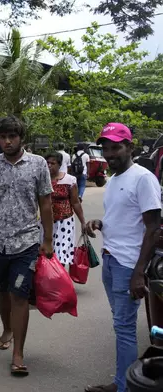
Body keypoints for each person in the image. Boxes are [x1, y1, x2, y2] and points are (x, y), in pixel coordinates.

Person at [0, 115, 54, 377]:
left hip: (26, 241)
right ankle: (7, 328)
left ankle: (18, 353)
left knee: (19, 296)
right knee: (0, 290)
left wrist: (47, 240)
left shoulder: (38, 164)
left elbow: (46, 204)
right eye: (3, 137)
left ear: (21, 138)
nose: (7, 141)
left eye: (12, 136)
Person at [84, 123, 161, 392]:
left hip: (129, 265)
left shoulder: (143, 178)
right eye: (105, 149)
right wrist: (101, 223)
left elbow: (153, 228)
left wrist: (139, 273)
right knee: (121, 325)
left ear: (130, 147)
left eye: (116, 147)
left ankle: (126, 387)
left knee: (125, 328)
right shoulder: (116, 179)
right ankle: (121, 383)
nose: (109, 154)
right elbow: (126, 218)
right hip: (111, 260)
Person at [45, 152, 85, 266]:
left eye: (53, 163)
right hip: (46, 223)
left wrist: (83, 222)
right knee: (47, 254)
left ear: (59, 164)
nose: (49, 165)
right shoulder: (42, 180)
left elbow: (76, 203)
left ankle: (59, 280)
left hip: (64, 223)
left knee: (60, 256)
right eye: (47, 163)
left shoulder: (69, 180)